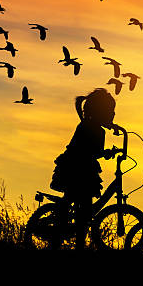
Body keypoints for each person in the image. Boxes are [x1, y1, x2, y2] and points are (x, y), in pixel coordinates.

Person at [50, 88, 117, 250]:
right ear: (101, 112)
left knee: (85, 209)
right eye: (110, 111)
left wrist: (105, 151)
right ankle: (61, 234)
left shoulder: (94, 127)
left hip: (85, 169)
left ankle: (78, 240)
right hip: (75, 169)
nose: (113, 115)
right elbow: (90, 150)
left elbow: (94, 151)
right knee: (77, 200)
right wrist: (106, 153)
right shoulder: (89, 127)